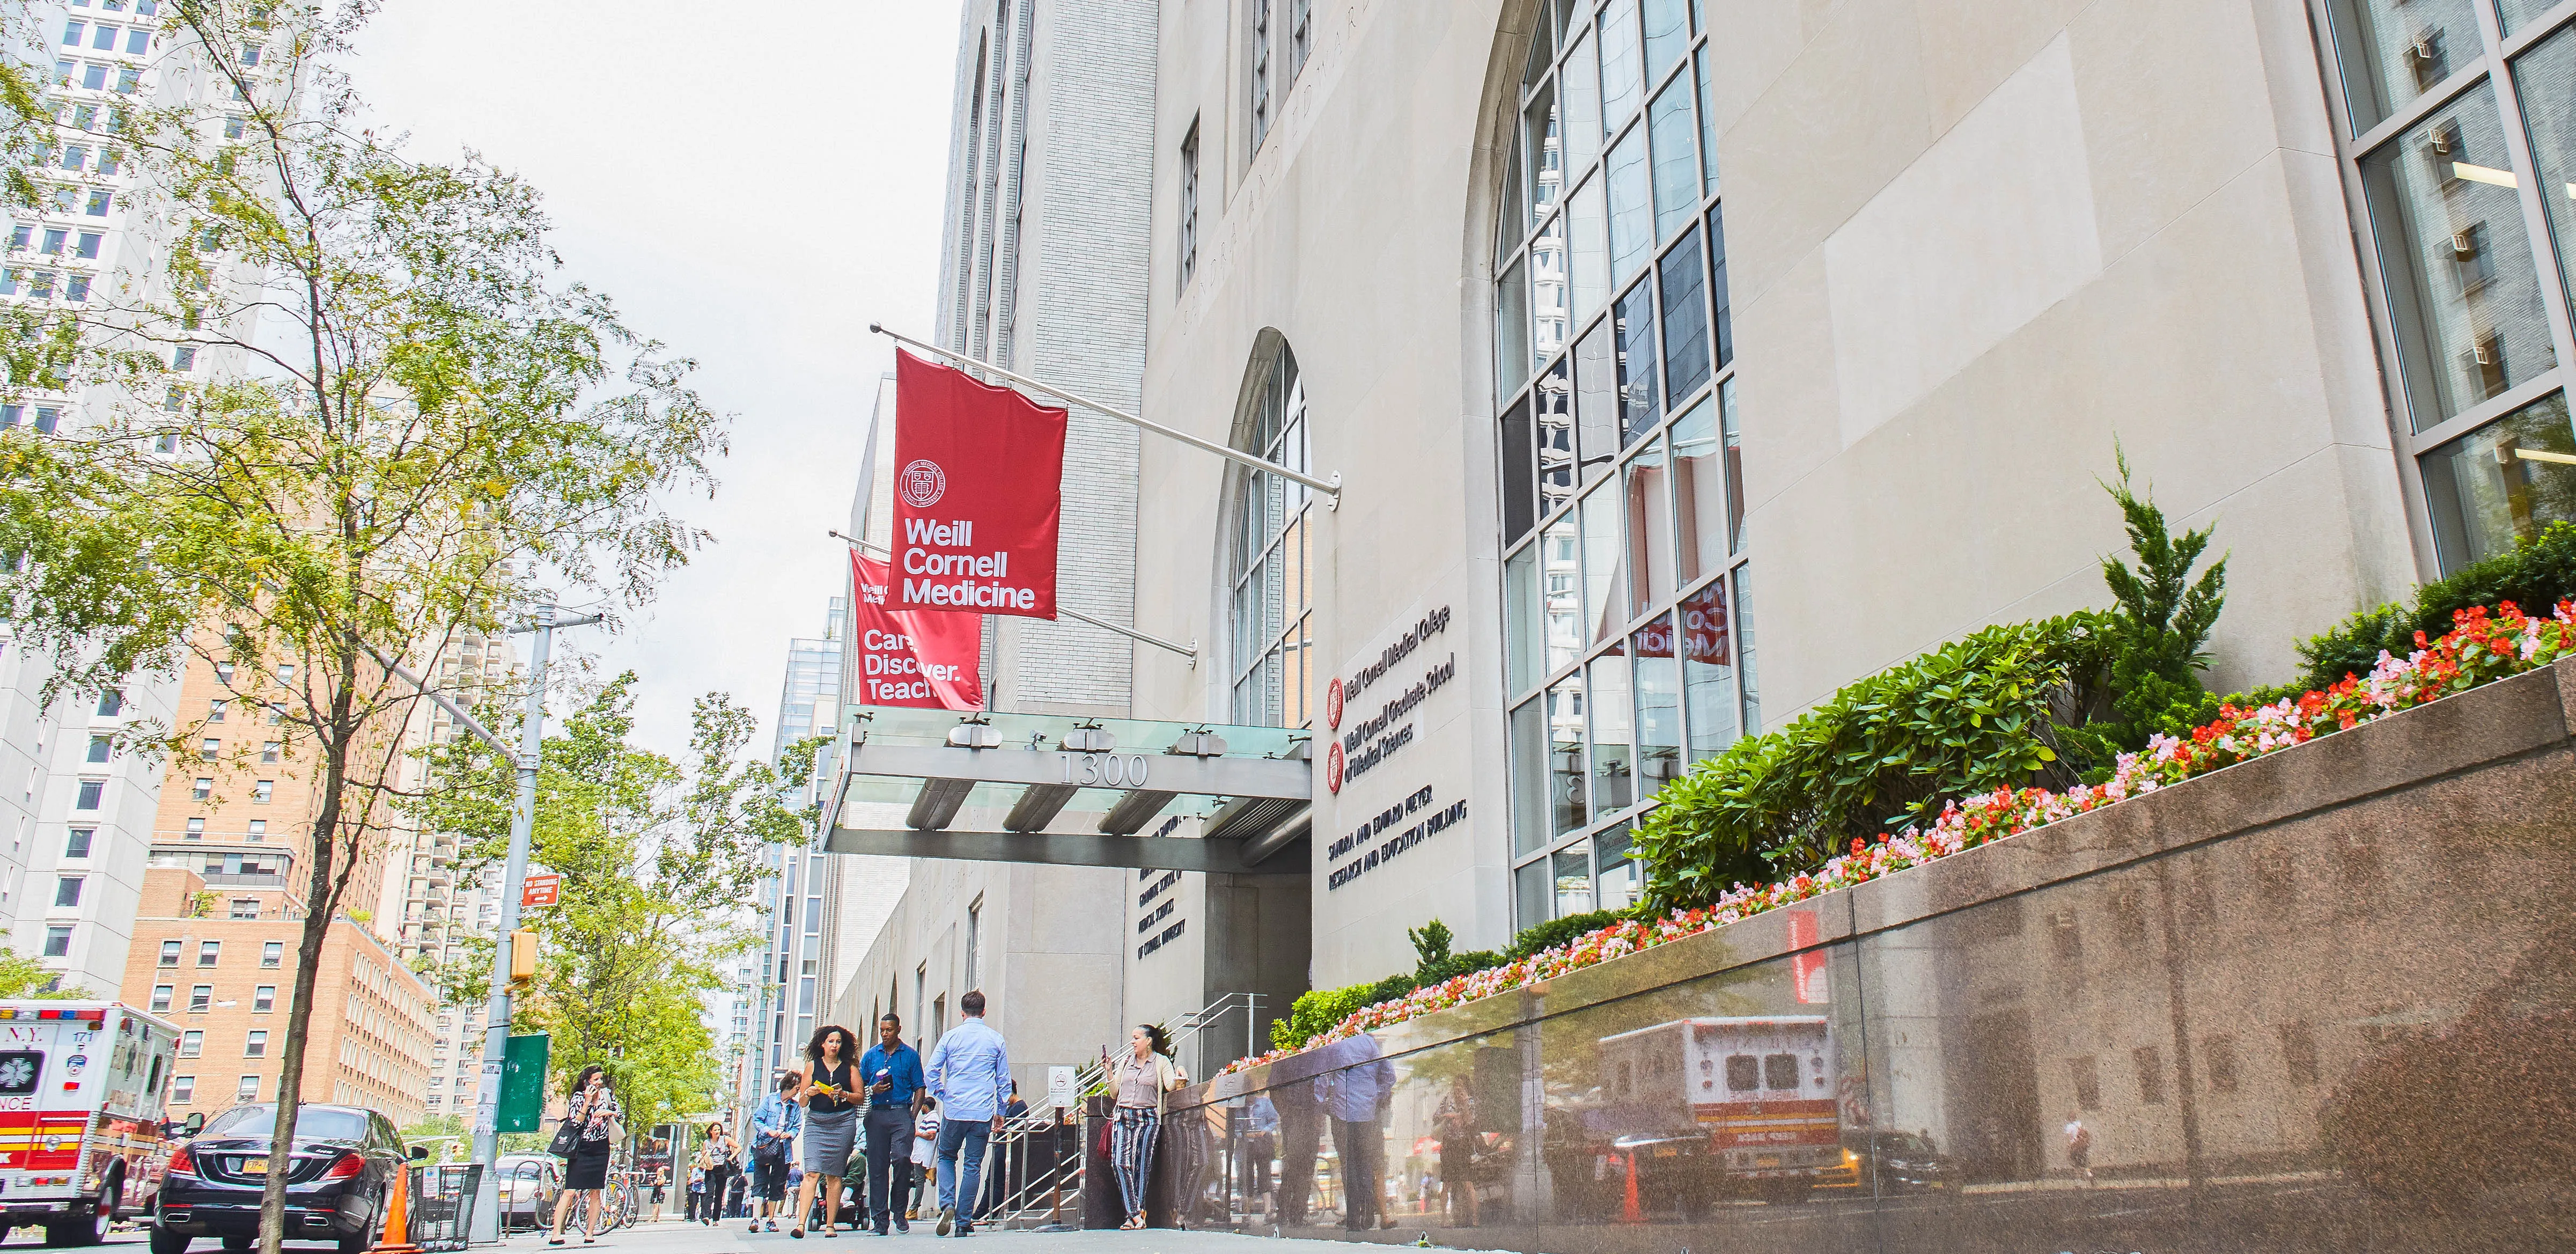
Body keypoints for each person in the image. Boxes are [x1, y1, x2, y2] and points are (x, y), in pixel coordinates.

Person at [924, 989, 1011, 1236]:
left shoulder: (950, 1038)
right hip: (982, 1111)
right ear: (984, 1012)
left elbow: (931, 1072)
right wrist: (1001, 1110)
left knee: (946, 1156)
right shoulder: (996, 1039)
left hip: (955, 1109)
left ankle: (947, 1204)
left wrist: (943, 1093)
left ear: (962, 1013)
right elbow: (1004, 1080)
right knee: (973, 1165)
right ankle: (963, 1222)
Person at [1104, 1023, 1189, 1230]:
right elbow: (1114, 1093)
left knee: (1141, 1166)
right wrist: (1109, 1072)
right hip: (1123, 1116)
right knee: (1119, 1163)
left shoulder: (1161, 1062)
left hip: (1147, 1117)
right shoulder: (1126, 1061)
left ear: (1148, 1041)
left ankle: (1133, 1217)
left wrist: (1181, 1075)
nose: (1132, 1042)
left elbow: (1171, 1086)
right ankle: (1136, 1213)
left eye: (1136, 1038)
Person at [1315, 1032, 1394, 1231]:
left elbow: (1323, 1079)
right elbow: (1389, 1075)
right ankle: (1367, 1215)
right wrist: (1375, 1096)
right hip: (1367, 1114)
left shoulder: (1335, 1044)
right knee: (1365, 1164)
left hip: (1343, 1113)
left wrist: (1322, 1103)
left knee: (1348, 1165)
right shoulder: (1370, 1044)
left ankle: (1353, 1218)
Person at [859, 1012, 928, 1236]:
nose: (885, 1034)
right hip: (877, 1114)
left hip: (901, 1114)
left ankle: (899, 1213)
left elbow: (920, 1087)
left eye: (889, 1030)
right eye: (882, 1030)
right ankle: (880, 1221)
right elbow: (858, 1086)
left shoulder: (910, 1055)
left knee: (901, 1160)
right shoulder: (871, 1056)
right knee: (877, 1168)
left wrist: (912, 1116)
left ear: (898, 1030)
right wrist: (873, 1089)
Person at [792, 1023, 863, 1238]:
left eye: (838, 1042)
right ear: (822, 1044)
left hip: (842, 1122)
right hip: (817, 1123)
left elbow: (860, 1097)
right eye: (831, 1041)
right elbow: (802, 1102)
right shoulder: (812, 1066)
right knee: (812, 1172)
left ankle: (830, 1225)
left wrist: (845, 1095)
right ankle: (801, 1224)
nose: (834, 1045)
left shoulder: (850, 1068)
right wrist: (810, 1092)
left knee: (834, 1174)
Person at [549, 1065, 621, 1246]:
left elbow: (619, 1113)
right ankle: (556, 1233)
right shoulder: (578, 1097)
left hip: (601, 1147)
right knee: (570, 1190)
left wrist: (610, 1113)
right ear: (586, 1082)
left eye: (601, 1079)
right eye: (596, 1079)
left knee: (596, 1191)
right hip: (582, 1147)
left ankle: (590, 1232)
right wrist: (587, 1102)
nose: (599, 1082)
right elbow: (575, 1122)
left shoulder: (607, 1095)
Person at [750, 1070, 805, 1231]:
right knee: (760, 1182)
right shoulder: (770, 1100)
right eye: (797, 1088)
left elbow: (797, 1126)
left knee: (777, 1184)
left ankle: (771, 1219)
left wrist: (790, 1134)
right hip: (765, 1146)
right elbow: (757, 1119)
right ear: (788, 1086)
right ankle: (755, 1219)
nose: (797, 1092)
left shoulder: (795, 1107)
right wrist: (769, 1131)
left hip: (783, 1148)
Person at [696, 1120, 741, 1228]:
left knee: (719, 1195)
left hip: (722, 1169)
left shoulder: (725, 1139)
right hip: (710, 1169)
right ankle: (706, 1216)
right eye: (715, 1130)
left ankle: (716, 1219)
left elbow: (739, 1147)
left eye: (719, 1130)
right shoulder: (706, 1143)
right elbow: (703, 1155)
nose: (717, 1132)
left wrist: (731, 1157)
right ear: (711, 1131)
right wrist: (704, 1155)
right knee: (709, 1193)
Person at [909, 1095, 940, 1221]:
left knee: (918, 1181)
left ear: (925, 1107)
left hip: (922, 1155)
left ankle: (914, 1209)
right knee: (911, 1177)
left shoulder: (932, 1118)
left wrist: (918, 1134)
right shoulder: (929, 1118)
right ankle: (929, 1173)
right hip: (919, 1154)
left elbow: (931, 1136)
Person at [2064, 1112, 2094, 1184]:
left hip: (2074, 1147)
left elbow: (2069, 1137)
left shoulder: (2069, 1126)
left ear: (2069, 1118)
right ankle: (2089, 1173)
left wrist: (2068, 1148)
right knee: (2084, 1162)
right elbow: (2083, 1133)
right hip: (2081, 1146)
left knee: (2076, 1164)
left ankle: (2079, 1180)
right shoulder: (2079, 1123)